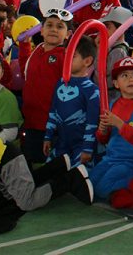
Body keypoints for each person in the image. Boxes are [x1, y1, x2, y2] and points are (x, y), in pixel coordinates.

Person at [91, 57, 133, 200]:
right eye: (124, 75)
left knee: (102, 189)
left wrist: (119, 123)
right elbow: (103, 139)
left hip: (132, 162)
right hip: (110, 158)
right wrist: (102, 130)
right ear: (116, 84)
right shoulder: (113, 104)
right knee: (91, 182)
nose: (131, 79)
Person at [19, 9, 73, 163]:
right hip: (30, 120)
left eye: (60, 26)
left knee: (47, 164)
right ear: (41, 30)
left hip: (51, 125)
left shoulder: (66, 56)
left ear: (68, 34)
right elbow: (26, 71)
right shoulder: (37, 49)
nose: (54, 29)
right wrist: (24, 46)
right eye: (49, 25)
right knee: (29, 160)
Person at [43, 35, 100, 167]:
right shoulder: (60, 83)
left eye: (72, 56)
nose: (66, 59)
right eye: (66, 54)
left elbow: (92, 122)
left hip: (81, 147)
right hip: (61, 144)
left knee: (76, 179)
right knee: (49, 174)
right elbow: (53, 111)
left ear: (87, 61)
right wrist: (48, 136)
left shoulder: (92, 90)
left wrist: (87, 148)